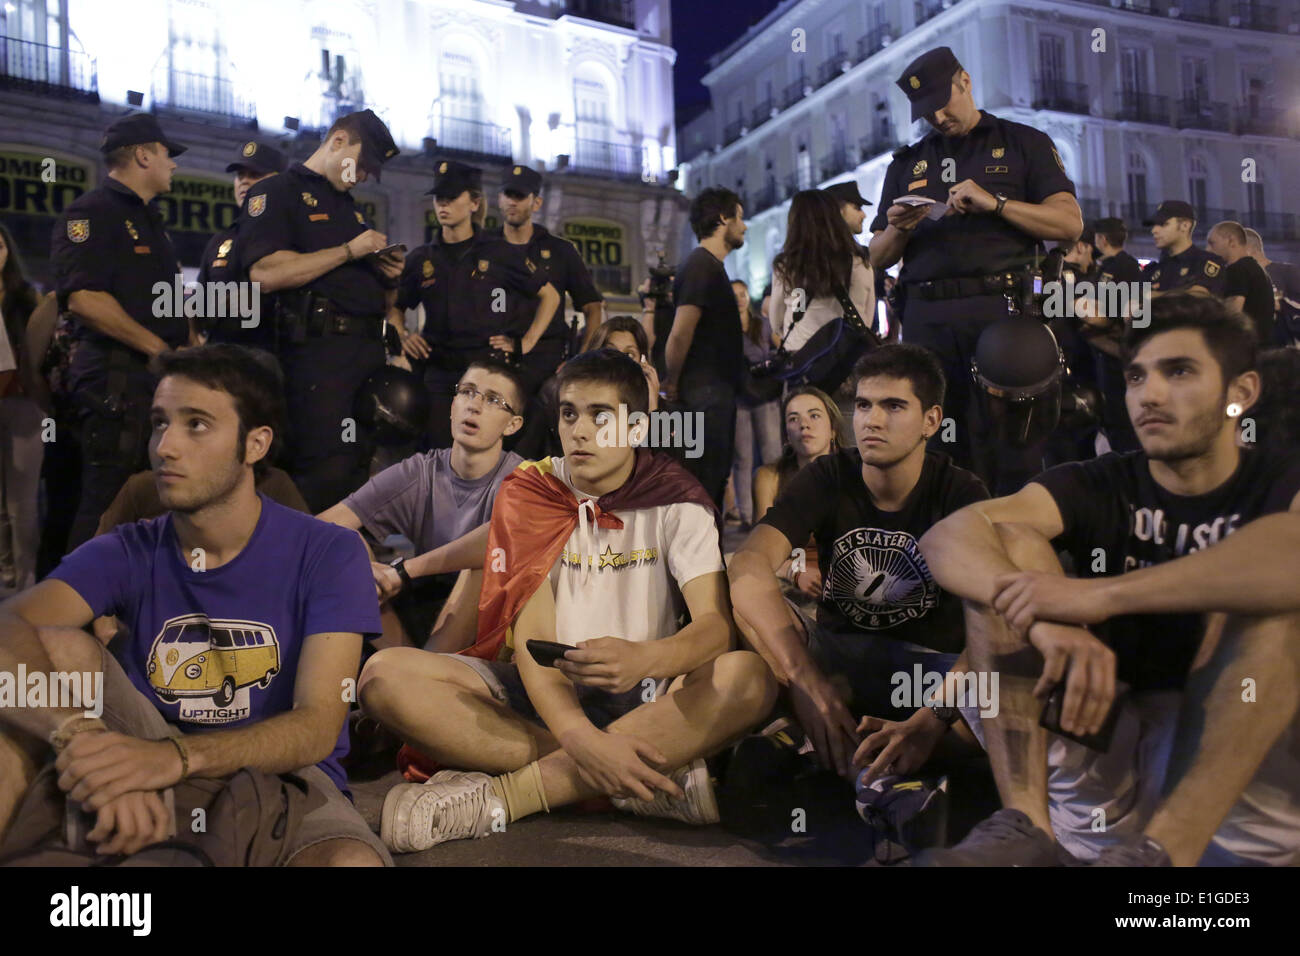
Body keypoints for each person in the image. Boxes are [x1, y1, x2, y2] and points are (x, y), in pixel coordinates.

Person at [917, 295, 1300, 866]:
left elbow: (1288, 556)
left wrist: (1097, 594)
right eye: (1137, 375)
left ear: (1240, 393)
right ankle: (1025, 827)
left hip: (1229, 764)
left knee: (1273, 605)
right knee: (1009, 546)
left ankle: (1162, 857)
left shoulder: (1277, 479)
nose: (1150, 394)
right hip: (1102, 728)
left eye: (1179, 371)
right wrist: (1046, 622)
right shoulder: (1104, 479)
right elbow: (948, 536)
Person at [359, 349, 777, 851]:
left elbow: (713, 628)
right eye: (569, 413)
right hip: (542, 692)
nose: (580, 430)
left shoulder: (676, 497)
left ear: (637, 430)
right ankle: (636, 773)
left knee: (748, 678)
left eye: (602, 416)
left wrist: (648, 657)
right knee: (383, 677)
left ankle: (505, 799)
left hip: (650, 693)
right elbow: (535, 639)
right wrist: (579, 738)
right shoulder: (530, 490)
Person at [0, 344, 389, 865]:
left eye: (197, 425)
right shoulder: (132, 547)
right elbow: (9, 625)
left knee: (350, 863)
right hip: (147, 739)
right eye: (160, 423)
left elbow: (316, 725)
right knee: (54, 650)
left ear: (255, 444)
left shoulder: (326, 551)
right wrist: (81, 734)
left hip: (286, 772)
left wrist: (173, 760)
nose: (165, 447)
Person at [728, 345, 989, 782]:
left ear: (931, 420)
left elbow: (993, 619)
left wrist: (933, 718)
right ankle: (863, 750)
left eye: (894, 406)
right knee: (738, 602)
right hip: (837, 657)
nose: (872, 419)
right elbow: (749, 565)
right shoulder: (828, 475)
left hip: (929, 671)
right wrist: (807, 682)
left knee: (1014, 691)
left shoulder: (959, 492)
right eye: (864, 404)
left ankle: (857, 750)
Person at [868, 46, 1082, 494]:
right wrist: (897, 228)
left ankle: (1012, 542)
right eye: (926, 112)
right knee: (938, 441)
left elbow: (1069, 225)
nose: (938, 117)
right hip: (928, 317)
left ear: (965, 81)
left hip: (1000, 311)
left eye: (942, 103)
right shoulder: (908, 163)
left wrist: (997, 203)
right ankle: (948, 545)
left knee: (1010, 440)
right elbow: (877, 256)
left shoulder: (1024, 142)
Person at [238, 109, 402, 514]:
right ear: (339, 141)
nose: (362, 175)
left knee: (353, 471)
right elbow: (265, 272)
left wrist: (384, 273)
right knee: (320, 475)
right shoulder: (276, 192)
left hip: (361, 363)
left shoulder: (348, 209)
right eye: (361, 165)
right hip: (316, 362)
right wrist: (349, 251)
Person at [51, 113, 193, 550]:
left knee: (145, 503)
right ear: (143, 154)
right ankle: (71, 609)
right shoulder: (92, 212)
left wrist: (189, 346)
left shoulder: (151, 221)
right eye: (168, 154)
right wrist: (157, 348)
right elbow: (83, 298)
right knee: (105, 503)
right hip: (115, 381)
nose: (173, 164)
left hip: (149, 381)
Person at [318, 358, 527, 650]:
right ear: (453, 406)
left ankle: (425, 669)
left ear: (513, 424)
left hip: (489, 624)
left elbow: (496, 545)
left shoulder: (524, 480)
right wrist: (365, 568)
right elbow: (320, 527)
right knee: (345, 545)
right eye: (467, 392)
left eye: (493, 400)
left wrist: (404, 571)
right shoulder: (419, 470)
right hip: (419, 607)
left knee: (484, 563)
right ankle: (399, 667)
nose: (474, 405)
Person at [390, 160, 559, 450]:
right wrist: (403, 335)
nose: (443, 204)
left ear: (474, 203)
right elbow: (395, 307)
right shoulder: (422, 258)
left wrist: (526, 343)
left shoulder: (499, 252)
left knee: (484, 455)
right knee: (438, 454)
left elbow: (550, 296)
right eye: (439, 198)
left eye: (452, 197)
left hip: (486, 371)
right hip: (438, 372)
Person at [663, 187, 748, 508]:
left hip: (712, 396)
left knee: (711, 483)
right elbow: (680, 333)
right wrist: (672, 381)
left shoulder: (709, 266)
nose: (745, 225)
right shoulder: (701, 265)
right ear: (723, 218)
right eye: (740, 216)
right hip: (704, 398)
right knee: (703, 484)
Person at [752, 386, 844, 600]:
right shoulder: (769, 476)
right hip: (788, 579)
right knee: (735, 567)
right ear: (786, 436)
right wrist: (795, 572)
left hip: (840, 585)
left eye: (814, 415)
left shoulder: (854, 474)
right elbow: (759, 552)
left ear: (833, 430)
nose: (804, 424)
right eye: (794, 419)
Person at [195, 141, 288, 352]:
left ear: (279, 181)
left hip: (276, 362)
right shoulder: (220, 240)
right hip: (221, 362)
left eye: (255, 174)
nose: (244, 181)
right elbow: (199, 304)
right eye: (239, 175)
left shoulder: (295, 234)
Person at [0, 222, 47, 592]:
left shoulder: (25, 297)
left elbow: (41, 354)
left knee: (23, 500)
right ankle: (5, 578)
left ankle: (26, 581)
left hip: (23, 408)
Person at [1086, 216, 1145, 454]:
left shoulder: (1123, 266)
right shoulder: (1108, 265)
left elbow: (1126, 310)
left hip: (1116, 349)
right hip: (1104, 350)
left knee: (1121, 416)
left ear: (1101, 239)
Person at [732, 278, 782, 528]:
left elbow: (780, 350)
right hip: (738, 397)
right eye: (735, 294)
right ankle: (747, 515)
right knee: (742, 458)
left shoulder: (761, 325)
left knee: (772, 453)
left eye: (743, 293)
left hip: (763, 394)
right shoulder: (724, 328)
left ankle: (774, 508)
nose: (739, 298)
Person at [1208, 220, 1276, 345]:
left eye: (1212, 243)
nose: (1208, 249)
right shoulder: (1254, 268)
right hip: (1260, 347)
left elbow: (1232, 313)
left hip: (1245, 348)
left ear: (1231, 241)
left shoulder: (1237, 269)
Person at [1141, 200, 1226, 298]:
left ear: (1185, 225)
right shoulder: (1151, 270)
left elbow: (1199, 297)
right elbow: (1132, 305)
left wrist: (1155, 296)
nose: (1154, 230)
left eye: (1163, 224)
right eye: (1154, 225)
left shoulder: (1205, 262)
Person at [1244, 227, 1300, 347]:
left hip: (1282, 351)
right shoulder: (1236, 277)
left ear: (1248, 249)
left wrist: (1282, 305)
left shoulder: (1288, 272)